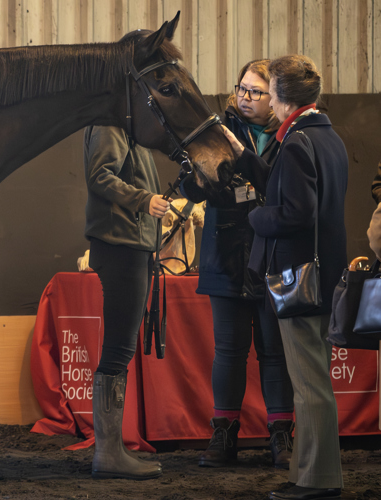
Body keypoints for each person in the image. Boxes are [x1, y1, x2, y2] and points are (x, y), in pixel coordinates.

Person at [224, 54, 346, 500]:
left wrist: (257, 217)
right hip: (322, 275)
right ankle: (307, 472)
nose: (265, 97)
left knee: (310, 386)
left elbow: (296, 212)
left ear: (283, 96)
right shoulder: (322, 135)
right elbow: (288, 186)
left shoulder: (295, 142)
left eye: (269, 90)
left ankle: (318, 480)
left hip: (299, 278)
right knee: (313, 382)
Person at [179, 59, 295, 470]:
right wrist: (193, 177)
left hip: (274, 256)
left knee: (274, 350)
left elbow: (276, 187)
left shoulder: (290, 135)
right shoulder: (215, 131)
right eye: (241, 89)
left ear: (275, 97)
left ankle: (281, 436)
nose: (244, 98)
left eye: (255, 92)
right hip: (224, 255)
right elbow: (188, 188)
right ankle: (223, 434)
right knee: (228, 351)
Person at [83, 125, 168, 480]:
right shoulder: (111, 122)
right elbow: (99, 175)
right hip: (121, 245)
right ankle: (108, 454)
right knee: (119, 348)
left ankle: (111, 451)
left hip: (130, 244)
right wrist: (143, 200)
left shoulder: (126, 125)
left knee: (121, 347)